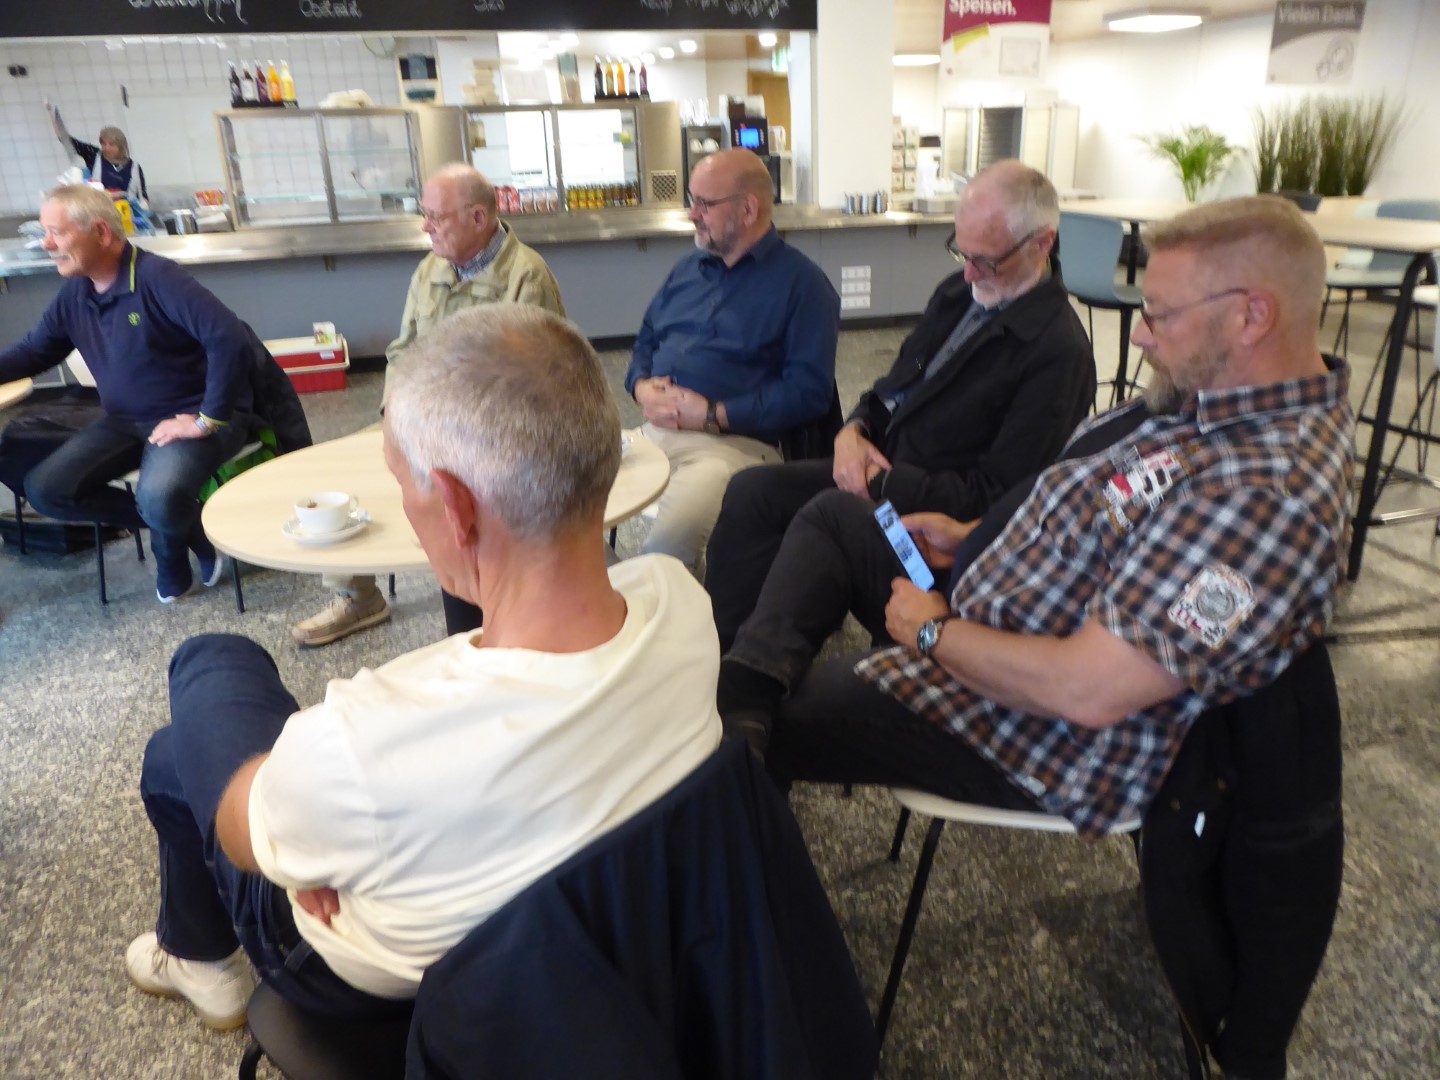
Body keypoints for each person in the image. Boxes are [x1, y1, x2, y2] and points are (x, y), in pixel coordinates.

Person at [126, 303, 721, 1031]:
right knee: (191, 752)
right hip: (607, 954)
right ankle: (194, 943)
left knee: (204, 679)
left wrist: (303, 848)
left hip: (376, 997)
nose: (406, 509)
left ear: (457, 507)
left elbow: (237, 830)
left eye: (403, 485)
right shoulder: (682, 607)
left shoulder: (360, 746)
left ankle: (197, 955)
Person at [718, 196, 1354, 840]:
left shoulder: (1266, 495)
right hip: (983, 603)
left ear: (1251, 316)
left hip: (1025, 722)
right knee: (833, 517)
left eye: (1158, 315)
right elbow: (1096, 504)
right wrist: (973, 536)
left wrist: (934, 633)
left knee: (767, 717)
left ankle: (740, 783)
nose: (1139, 335)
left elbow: (1088, 691)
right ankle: (741, 700)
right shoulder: (1215, 397)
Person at [705, 160, 1095, 650]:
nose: (969, 271)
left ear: (1042, 243)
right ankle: (720, 648)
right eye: (961, 251)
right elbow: (892, 388)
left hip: (932, 543)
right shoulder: (960, 294)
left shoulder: (1058, 355)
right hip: (884, 480)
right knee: (752, 491)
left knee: (830, 515)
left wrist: (880, 483)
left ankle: (753, 677)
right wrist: (853, 431)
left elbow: (997, 503)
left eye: (986, 260)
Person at [292, 162, 566, 647]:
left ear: (478, 218)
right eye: (426, 215)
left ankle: (480, 611)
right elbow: (403, 350)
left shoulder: (527, 277)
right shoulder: (431, 269)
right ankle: (357, 594)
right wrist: (392, 413)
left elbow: (532, 384)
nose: (426, 226)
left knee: (454, 493)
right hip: (423, 420)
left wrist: (449, 432)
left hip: (489, 435)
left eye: (436, 217)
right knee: (355, 463)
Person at [0, 184, 255, 602]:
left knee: (159, 496)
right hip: (124, 421)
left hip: (192, 416)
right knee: (46, 490)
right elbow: (35, 351)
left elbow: (227, 337)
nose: (46, 244)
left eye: (56, 232)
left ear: (101, 233)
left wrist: (206, 419)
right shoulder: (77, 291)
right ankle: (191, 525)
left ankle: (170, 550)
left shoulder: (157, 278)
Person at [624, 148, 840, 572]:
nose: (692, 214)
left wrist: (713, 414)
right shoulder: (688, 269)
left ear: (748, 209)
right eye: (692, 201)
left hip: (732, 446)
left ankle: (661, 605)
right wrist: (639, 385)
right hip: (656, 431)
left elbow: (809, 393)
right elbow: (647, 337)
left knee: (667, 545)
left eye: (704, 204)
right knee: (557, 497)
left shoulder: (804, 286)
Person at [47, 103, 148, 207]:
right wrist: (52, 113)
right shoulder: (93, 155)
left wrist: (144, 205)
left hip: (127, 211)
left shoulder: (135, 167)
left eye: (112, 144)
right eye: (104, 144)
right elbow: (66, 140)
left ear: (121, 146)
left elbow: (143, 195)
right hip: (100, 209)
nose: (107, 148)